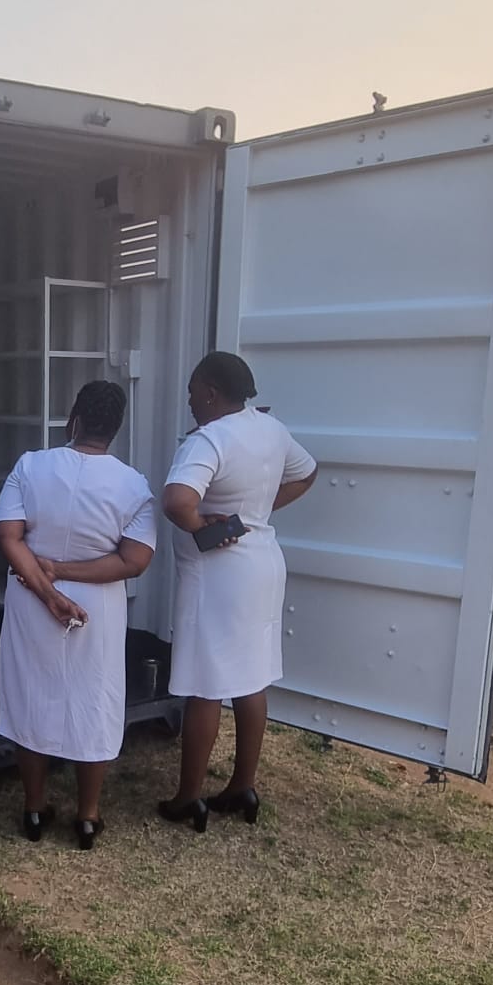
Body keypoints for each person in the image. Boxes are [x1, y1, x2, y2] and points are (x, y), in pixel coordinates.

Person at [0, 381, 157, 850]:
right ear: (116, 430)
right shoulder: (133, 485)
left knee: (31, 694)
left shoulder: (31, 465)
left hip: (30, 597)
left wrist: (49, 588)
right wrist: (68, 579)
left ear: (74, 418)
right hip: (97, 605)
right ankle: (88, 815)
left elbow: (8, 537)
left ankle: (35, 808)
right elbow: (134, 562)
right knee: (94, 700)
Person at [157, 352, 318, 832]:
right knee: (251, 677)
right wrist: (259, 510)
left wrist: (202, 523)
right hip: (264, 563)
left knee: (205, 685)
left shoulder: (210, 439)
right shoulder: (272, 430)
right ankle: (242, 785)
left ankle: (188, 798)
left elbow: (176, 501)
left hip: (219, 574)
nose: (188, 401)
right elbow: (306, 473)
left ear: (210, 391)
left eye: (192, 391)